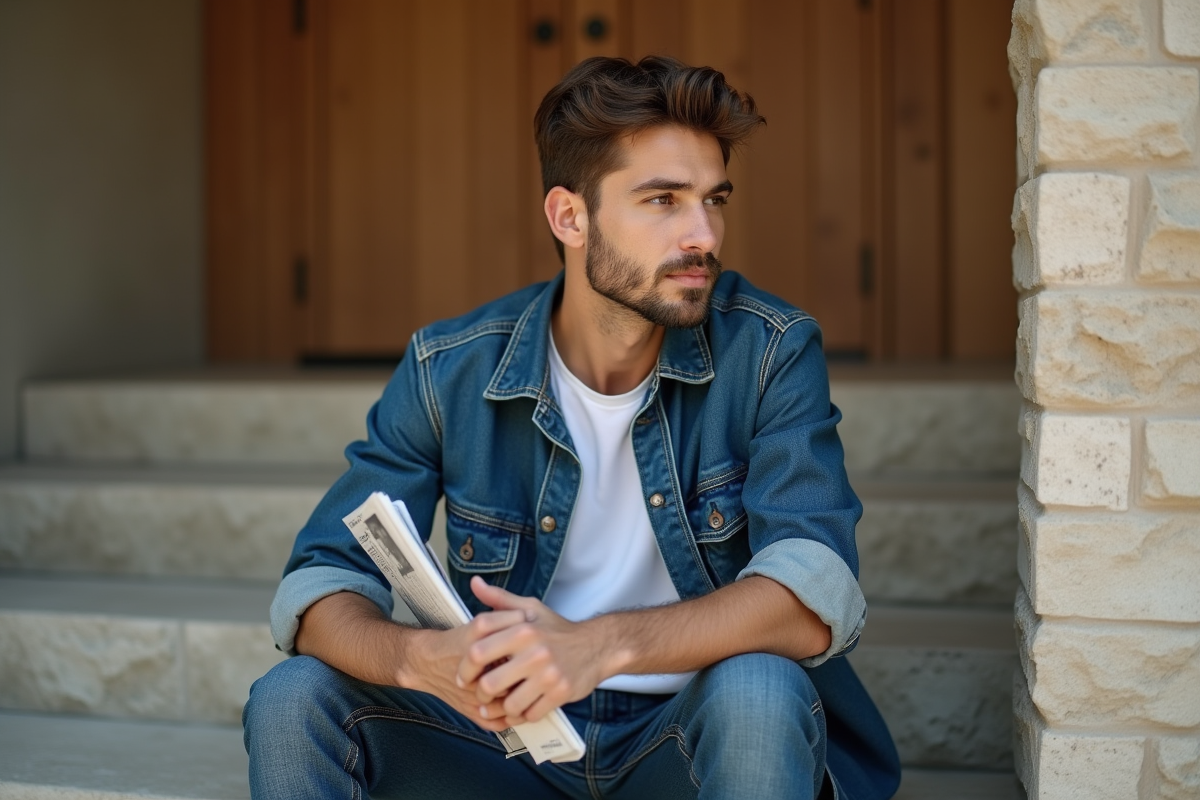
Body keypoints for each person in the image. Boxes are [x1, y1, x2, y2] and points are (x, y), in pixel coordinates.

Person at [243, 55, 900, 800]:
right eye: (662, 200)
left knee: (757, 690)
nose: (703, 234)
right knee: (294, 696)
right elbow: (321, 586)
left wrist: (596, 647)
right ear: (569, 216)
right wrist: (421, 660)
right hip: (506, 748)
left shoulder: (769, 350)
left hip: (687, 742)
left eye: (714, 200)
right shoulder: (449, 368)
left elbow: (813, 596)